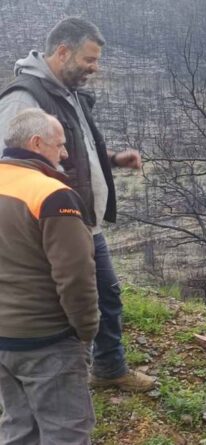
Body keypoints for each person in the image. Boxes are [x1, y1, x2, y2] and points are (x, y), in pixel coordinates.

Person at [0, 17, 154, 391]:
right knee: (73, 297)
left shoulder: (65, 92)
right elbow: (11, 165)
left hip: (81, 218)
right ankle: (69, 374)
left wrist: (113, 159)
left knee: (106, 294)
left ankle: (106, 368)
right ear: (63, 51)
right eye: (89, 59)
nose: (94, 67)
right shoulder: (25, 98)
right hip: (54, 222)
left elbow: (74, 150)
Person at [0, 108, 99, 444]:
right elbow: (75, 276)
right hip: (45, 338)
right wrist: (85, 329)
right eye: (60, 144)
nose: (66, 153)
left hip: (3, 339)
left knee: (18, 427)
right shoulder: (52, 195)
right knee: (65, 431)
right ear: (36, 142)